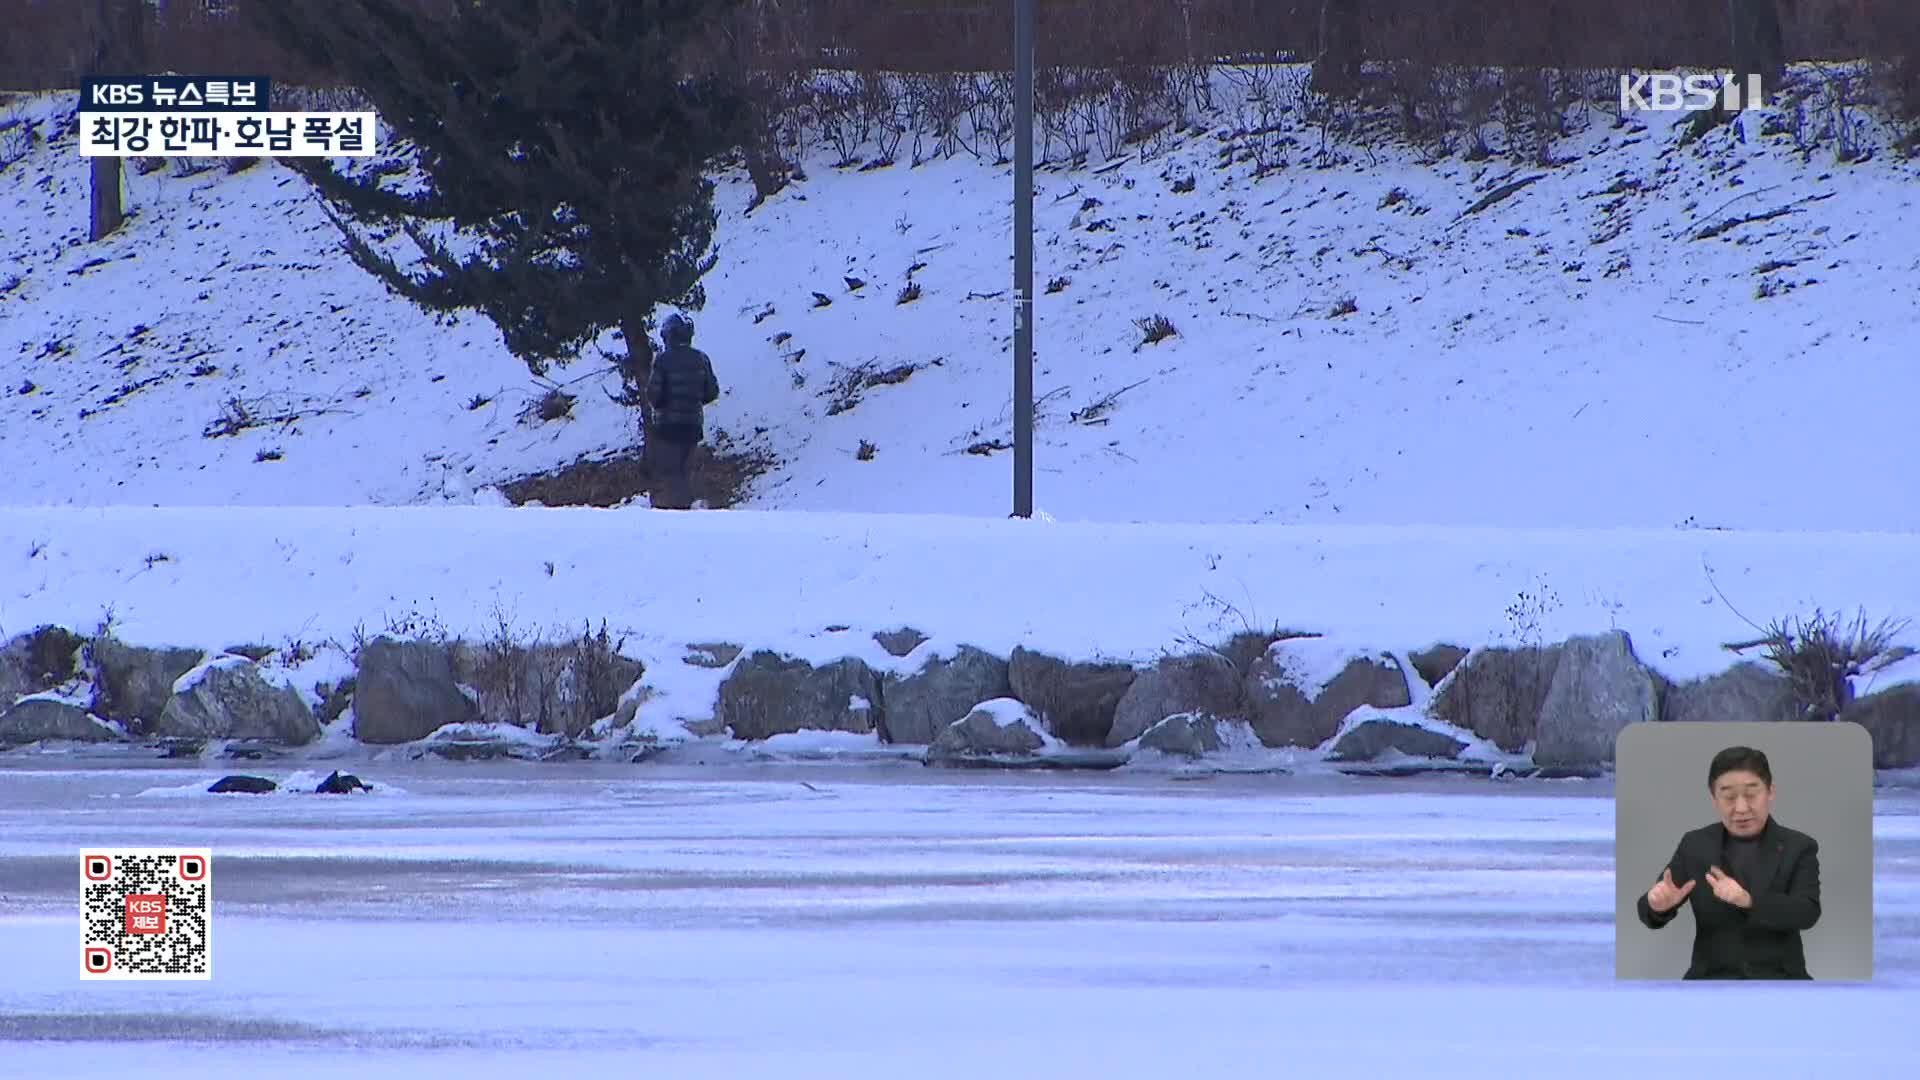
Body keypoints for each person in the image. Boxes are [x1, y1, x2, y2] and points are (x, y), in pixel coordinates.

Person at [1635, 745, 1821, 979]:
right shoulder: (1696, 845)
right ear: (1714, 798)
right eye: (1729, 797)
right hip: (1710, 981)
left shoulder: (1799, 846)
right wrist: (1658, 906)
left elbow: (1807, 912)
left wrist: (1748, 900)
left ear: (1770, 792)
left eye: (1751, 795)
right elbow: (1650, 909)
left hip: (1780, 980)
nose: (1741, 808)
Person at [645, 314, 720, 510]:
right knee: (687, 471)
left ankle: (676, 512)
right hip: (693, 425)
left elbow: (654, 396)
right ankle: (689, 506)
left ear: (668, 336)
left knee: (670, 472)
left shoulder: (662, 360)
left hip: (668, 426)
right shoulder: (701, 359)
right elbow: (712, 392)